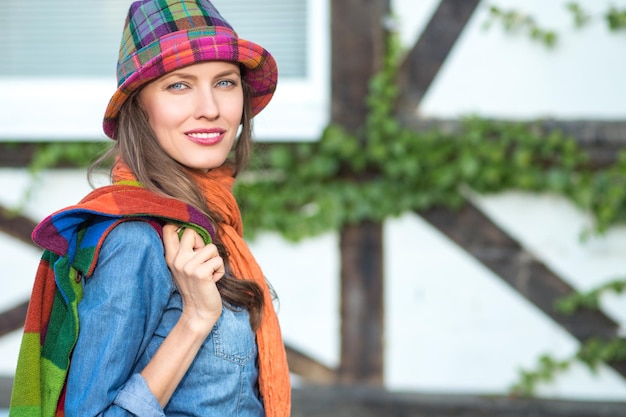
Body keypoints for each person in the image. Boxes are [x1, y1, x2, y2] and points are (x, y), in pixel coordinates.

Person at [9, 0, 291, 415]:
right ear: (139, 108)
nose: (210, 108)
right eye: (179, 85)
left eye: (225, 83)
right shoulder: (135, 241)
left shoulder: (210, 221)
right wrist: (194, 321)